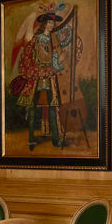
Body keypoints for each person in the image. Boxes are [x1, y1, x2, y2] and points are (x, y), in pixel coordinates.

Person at [12, 11, 73, 150]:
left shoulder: (53, 41)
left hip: (49, 79)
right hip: (36, 79)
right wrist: (40, 70)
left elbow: (54, 65)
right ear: (44, 24)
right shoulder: (36, 40)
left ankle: (56, 139)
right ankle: (31, 139)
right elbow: (27, 59)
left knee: (52, 107)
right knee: (32, 108)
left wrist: (60, 60)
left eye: (53, 23)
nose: (51, 25)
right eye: (49, 22)